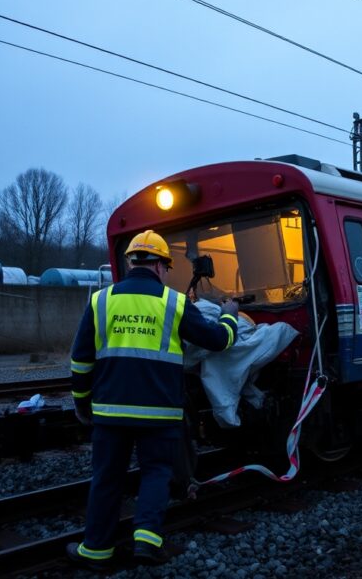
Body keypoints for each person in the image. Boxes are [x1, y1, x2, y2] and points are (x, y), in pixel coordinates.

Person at [66, 230, 239, 570]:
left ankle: (96, 552)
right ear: (161, 266)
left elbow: (81, 360)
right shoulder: (174, 303)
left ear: (131, 262)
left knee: (106, 478)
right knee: (156, 473)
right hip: (159, 412)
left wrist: (82, 403)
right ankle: (146, 541)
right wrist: (230, 313)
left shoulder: (101, 301)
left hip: (110, 411)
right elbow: (218, 340)